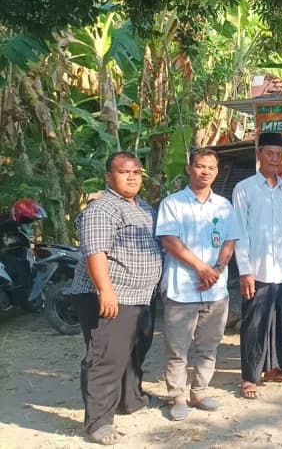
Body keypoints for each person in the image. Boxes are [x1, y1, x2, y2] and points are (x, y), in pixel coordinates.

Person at [69, 152, 162, 445]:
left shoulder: (144, 207)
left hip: (141, 295)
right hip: (111, 295)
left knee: (133, 352)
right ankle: (98, 423)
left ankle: (130, 400)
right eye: (124, 172)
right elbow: (96, 253)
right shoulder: (102, 209)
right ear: (109, 177)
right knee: (106, 358)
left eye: (136, 172)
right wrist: (105, 291)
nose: (132, 177)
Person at [156, 148, 238, 420]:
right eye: (201, 166)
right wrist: (201, 268)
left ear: (217, 171)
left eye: (211, 168)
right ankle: (176, 395)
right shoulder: (173, 203)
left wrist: (216, 270)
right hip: (182, 289)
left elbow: (229, 242)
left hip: (215, 290)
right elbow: (170, 241)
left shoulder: (224, 206)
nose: (206, 172)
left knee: (209, 345)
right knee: (178, 348)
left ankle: (200, 390)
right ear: (189, 168)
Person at [232, 132, 282, 399]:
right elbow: (238, 230)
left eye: (278, 154)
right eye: (269, 153)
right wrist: (245, 270)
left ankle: (279, 368)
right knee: (255, 324)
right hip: (257, 269)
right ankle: (250, 377)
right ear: (259, 155)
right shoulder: (245, 188)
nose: (275, 158)